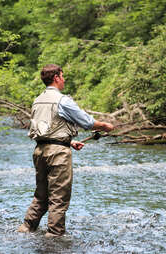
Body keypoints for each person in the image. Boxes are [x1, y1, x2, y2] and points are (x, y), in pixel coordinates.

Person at [17, 64, 114, 237]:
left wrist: (69, 142)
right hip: (57, 154)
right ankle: (55, 236)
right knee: (58, 198)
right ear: (56, 78)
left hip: (40, 151)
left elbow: (45, 129)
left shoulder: (38, 100)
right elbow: (86, 122)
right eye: (62, 76)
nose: (64, 79)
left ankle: (25, 229)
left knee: (41, 196)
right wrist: (105, 125)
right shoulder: (62, 100)